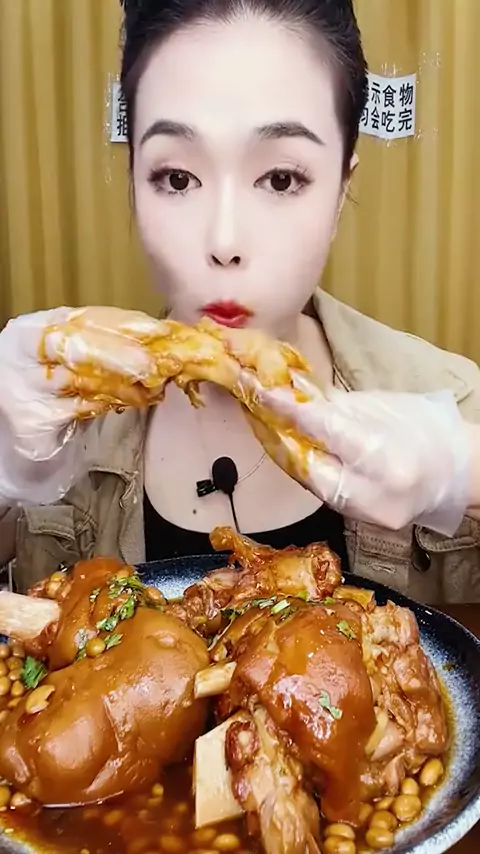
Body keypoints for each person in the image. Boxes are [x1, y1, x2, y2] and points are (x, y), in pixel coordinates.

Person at [0, 0, 480, 603]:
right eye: (177, 178)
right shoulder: (58, 421)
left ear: (340, 191)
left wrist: (466, 471)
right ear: (133, 182)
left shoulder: (456, 407)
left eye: (281, 179)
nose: (224, 242)